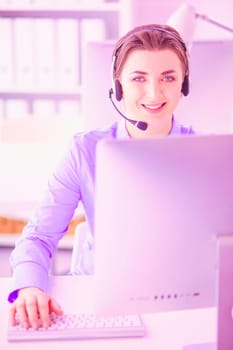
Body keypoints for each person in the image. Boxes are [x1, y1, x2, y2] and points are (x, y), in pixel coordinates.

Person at [8, 23, 194, 329]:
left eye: (168, 78)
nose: (154, 92)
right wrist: (29, 287)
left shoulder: (209, 152)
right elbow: (39, 236)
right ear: (118, 85)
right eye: (138, 78)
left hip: (180, 304)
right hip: (99, 298)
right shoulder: (85, 150)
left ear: (183, 84)